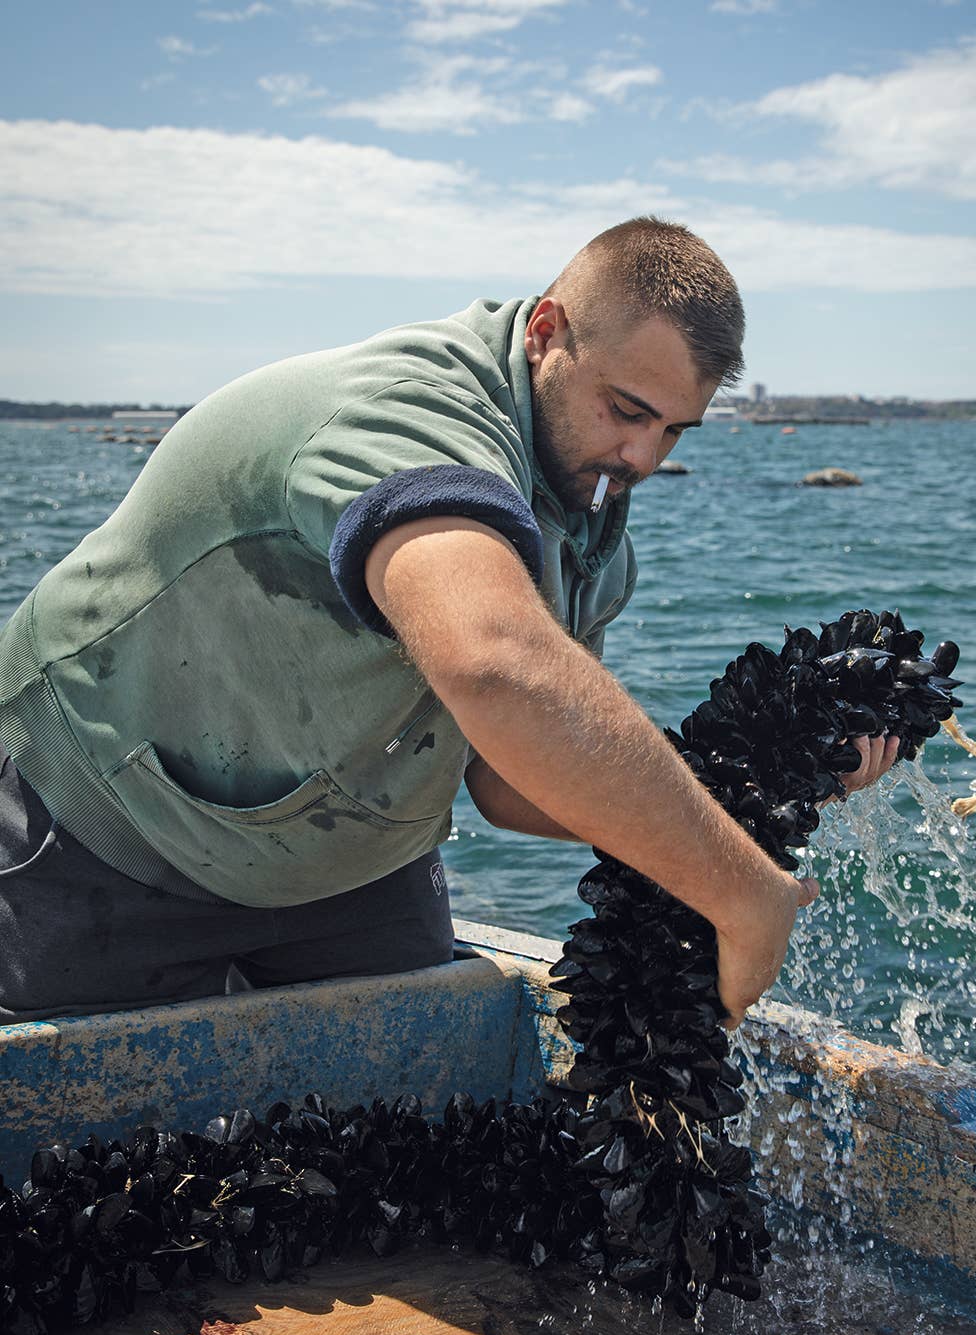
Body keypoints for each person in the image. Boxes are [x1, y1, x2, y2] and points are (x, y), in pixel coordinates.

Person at [0, 217, 896, 1024]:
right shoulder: (408, 416)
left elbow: (511, 785)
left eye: (674, 431)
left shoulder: (589, 532)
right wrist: (742, 894)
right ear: (545, 332)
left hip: (342, 862)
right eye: (627, 410)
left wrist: (766, 788)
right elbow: (495, 665)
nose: (642, 458)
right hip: (96, 817)